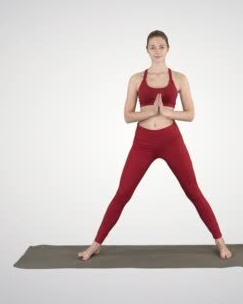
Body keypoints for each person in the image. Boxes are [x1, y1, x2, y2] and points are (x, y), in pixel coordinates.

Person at [78, 30, 233, 260]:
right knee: (123, 193)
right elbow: (127, 116)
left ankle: (221, 242)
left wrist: (168, 112)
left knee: (193, 191)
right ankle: (95, 244)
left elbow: (190, 115)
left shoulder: (179, 78)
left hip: (171, 140)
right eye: (152, 47)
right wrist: (149, 111)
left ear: (168, 49)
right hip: (143, 142)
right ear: (147, 50)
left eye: (161, 46)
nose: (157, 50)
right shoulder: (136, 79)